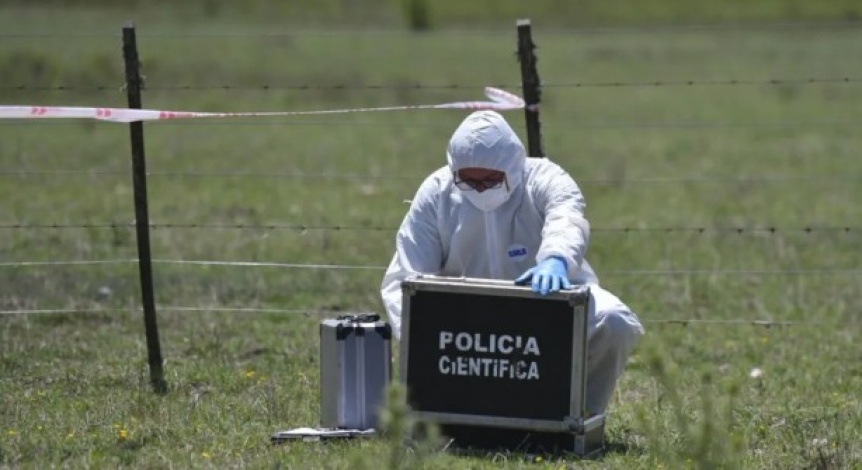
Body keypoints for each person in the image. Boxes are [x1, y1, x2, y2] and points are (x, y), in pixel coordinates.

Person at [380, 110, 644, 416]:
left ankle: (577, 417)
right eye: (469, 180)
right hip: (463, 318)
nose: (480, 190)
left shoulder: (545, 178)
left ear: (512, 166)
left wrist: (556, 258)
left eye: (491, 180)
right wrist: (430, 329)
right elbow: (410, 276)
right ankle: (450, 413)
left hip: (548, 303)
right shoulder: (436, 192)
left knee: (614, 322)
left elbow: (567, 216)